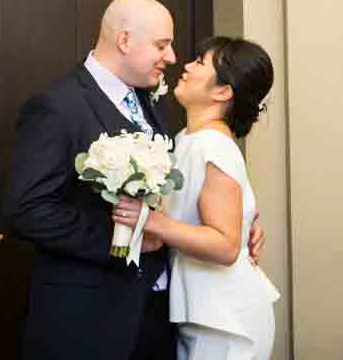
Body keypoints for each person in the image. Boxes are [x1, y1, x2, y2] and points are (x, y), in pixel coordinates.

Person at [7, 0, 264, 360]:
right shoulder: (58, 107)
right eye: (162, 45)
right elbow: (28, 210)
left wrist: (238, 221)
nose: (172, 58)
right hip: (86, 320)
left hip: (156, 318)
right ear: (125, 41)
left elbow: (176, 193)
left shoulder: (149, 102)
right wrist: (122, 243)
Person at [112, 37, 279, 360]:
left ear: (222, 91)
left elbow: (226, 245)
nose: (186, 66)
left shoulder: (212, 145)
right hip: (204, 313)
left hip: (226, 321)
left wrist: (151, 220)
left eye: (200, 62)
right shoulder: (188, 140)